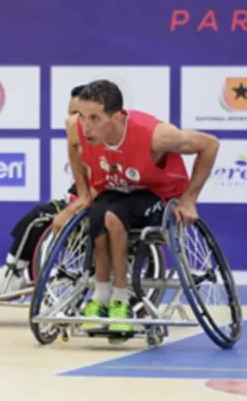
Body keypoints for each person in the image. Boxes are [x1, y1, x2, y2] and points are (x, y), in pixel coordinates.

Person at [55, 79, 218, 334]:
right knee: (96, 216)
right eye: (82, 116)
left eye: (95, 118)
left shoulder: (156, 135)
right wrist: (84, 193)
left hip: (157, 194)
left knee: (113, 217)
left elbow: (209, 145)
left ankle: (121, 299)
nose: (86, 126)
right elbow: (74, 147)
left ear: (117, 116)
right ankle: (100, 296)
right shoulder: (76, 128)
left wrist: (189, 199)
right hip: (116, 190)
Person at [0, 84, 87, 298]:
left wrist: (72, 209)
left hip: (95, 209)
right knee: (35, 218)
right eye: (70, 114)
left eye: (79, 115)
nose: (71, 120)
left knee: (40, 217)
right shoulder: (76, 142)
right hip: (79, 201)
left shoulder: (101, 143)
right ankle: (12, 274)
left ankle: (11, 275)